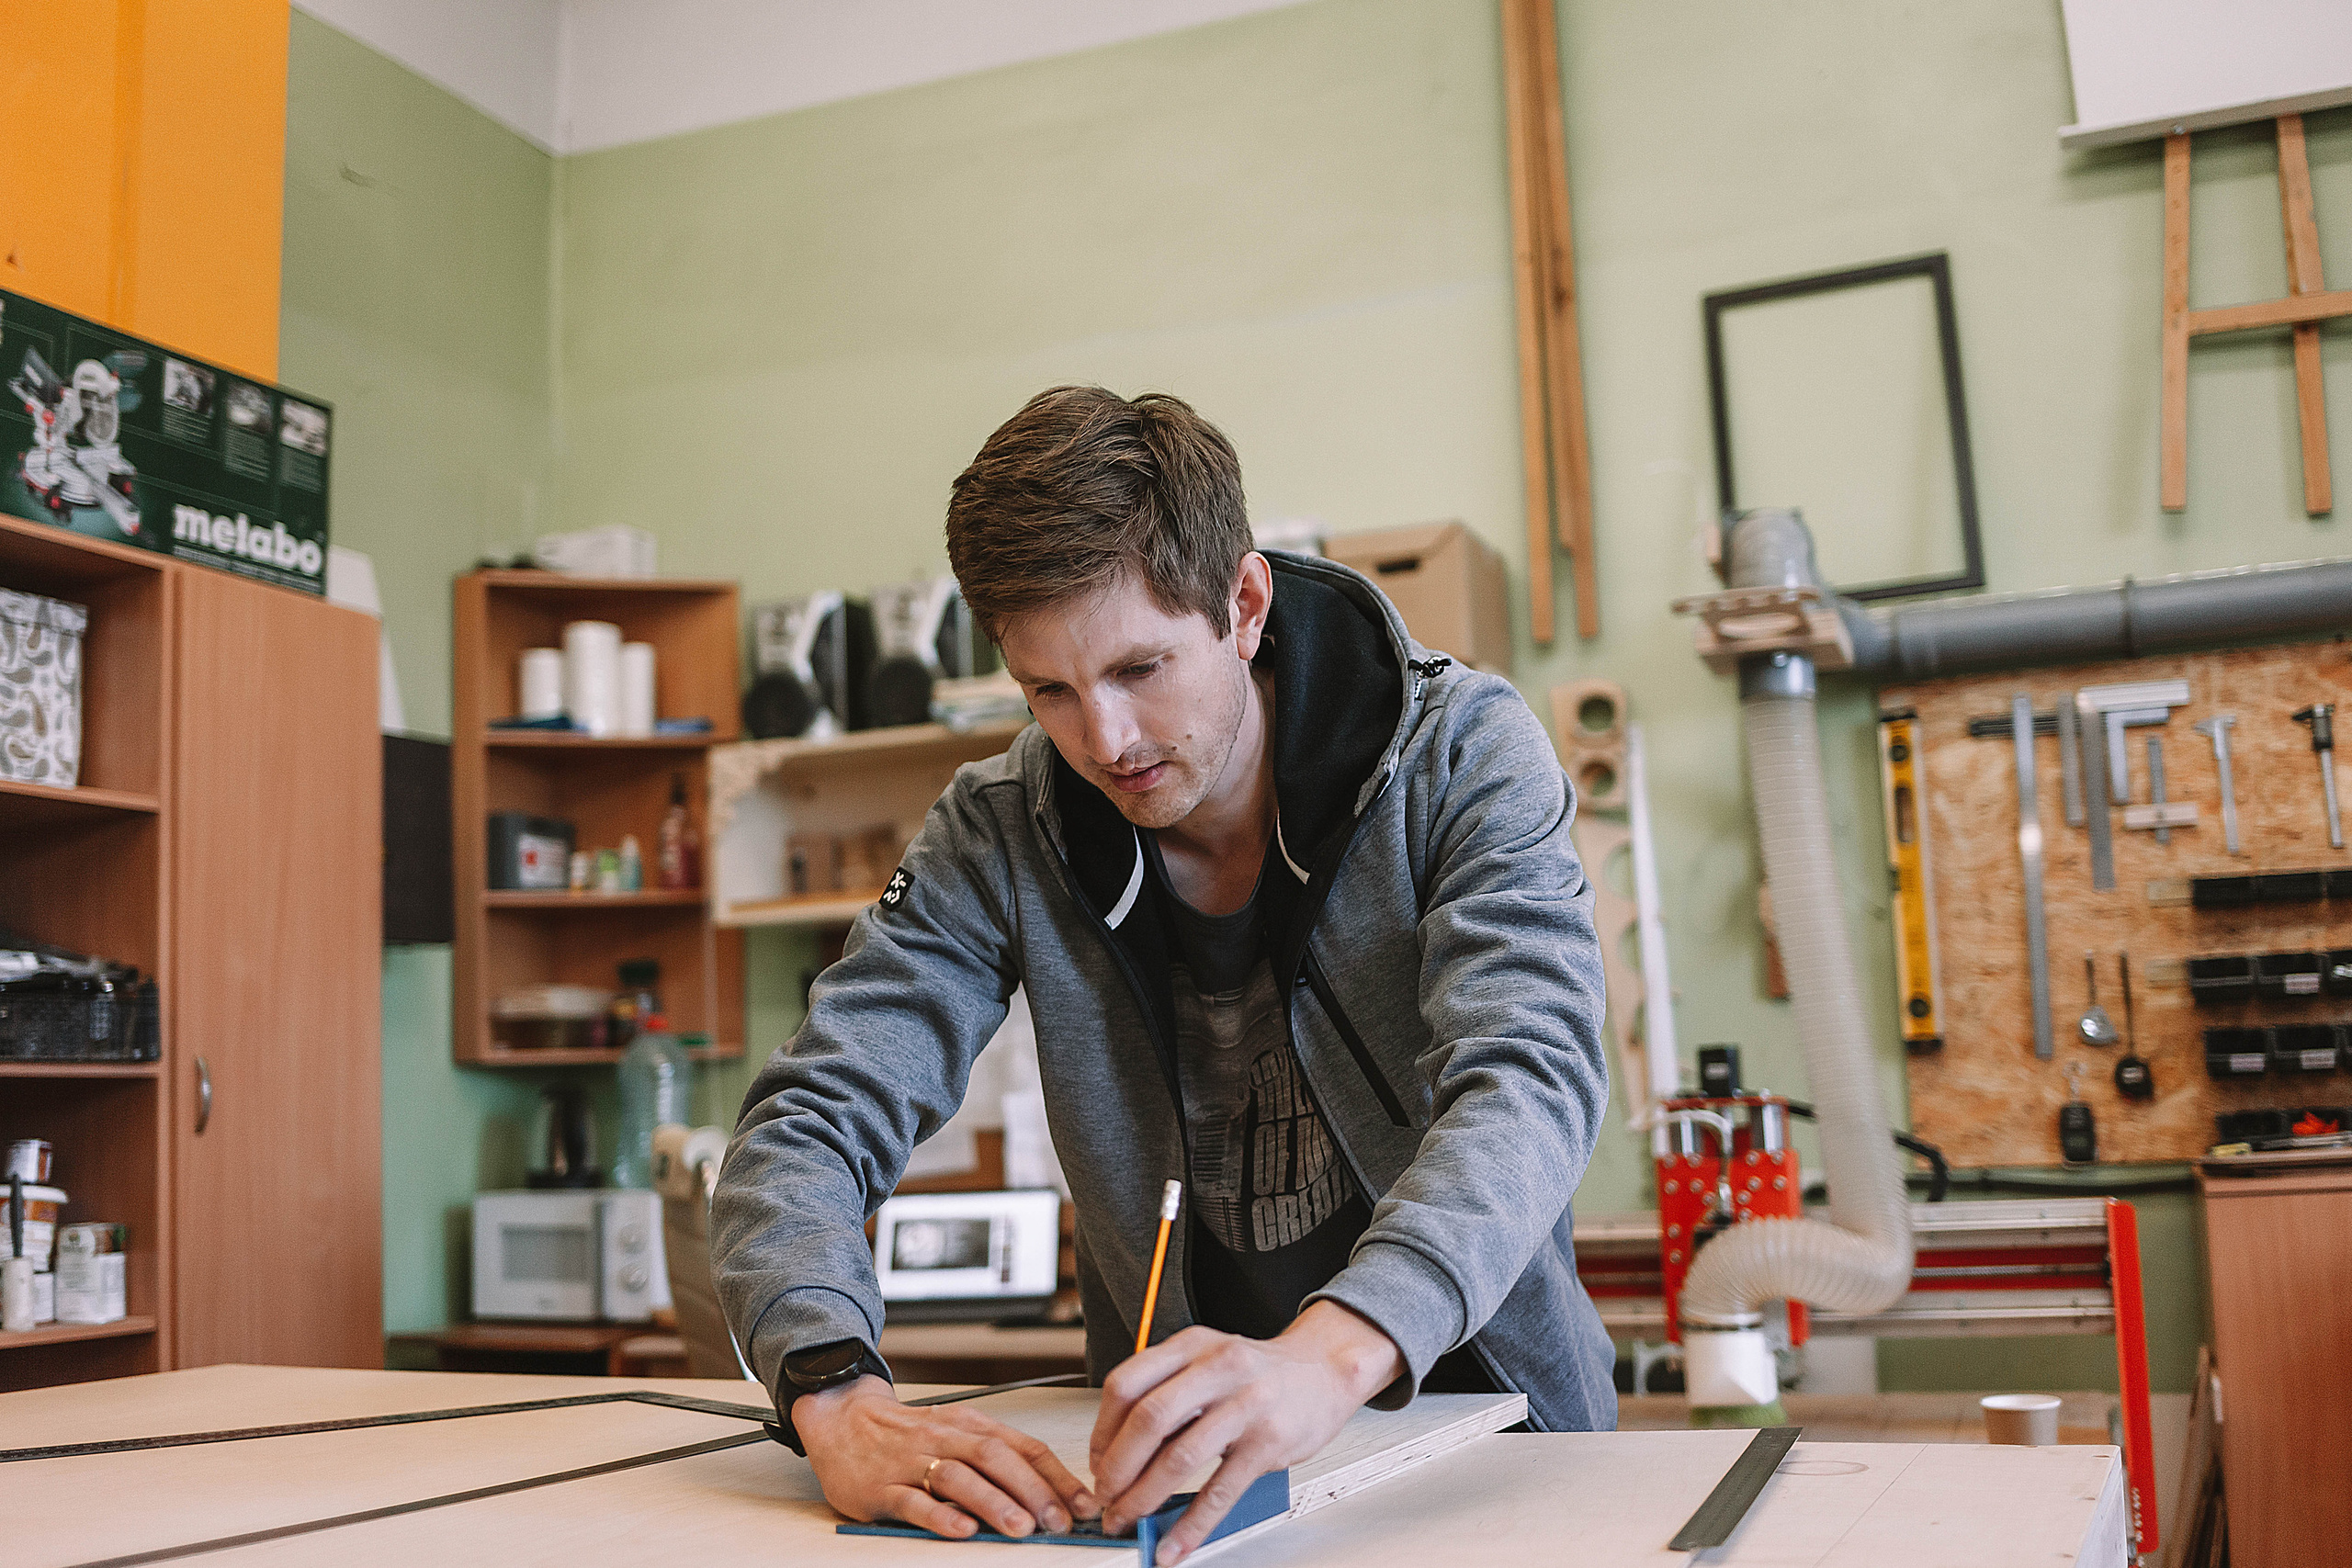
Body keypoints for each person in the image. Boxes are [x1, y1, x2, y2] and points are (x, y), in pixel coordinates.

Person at [714, 387, 1615, 1566]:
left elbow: (1529, 1079)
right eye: (1047, 691)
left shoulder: (1460, 752)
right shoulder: (999, 829)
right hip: (1175, 1488)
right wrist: (834, 1394)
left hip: (1501, 1455)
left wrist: (1327, 1355)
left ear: (1242, 606)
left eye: (1141, 667)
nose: (1104, 742)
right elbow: (808, 1123)